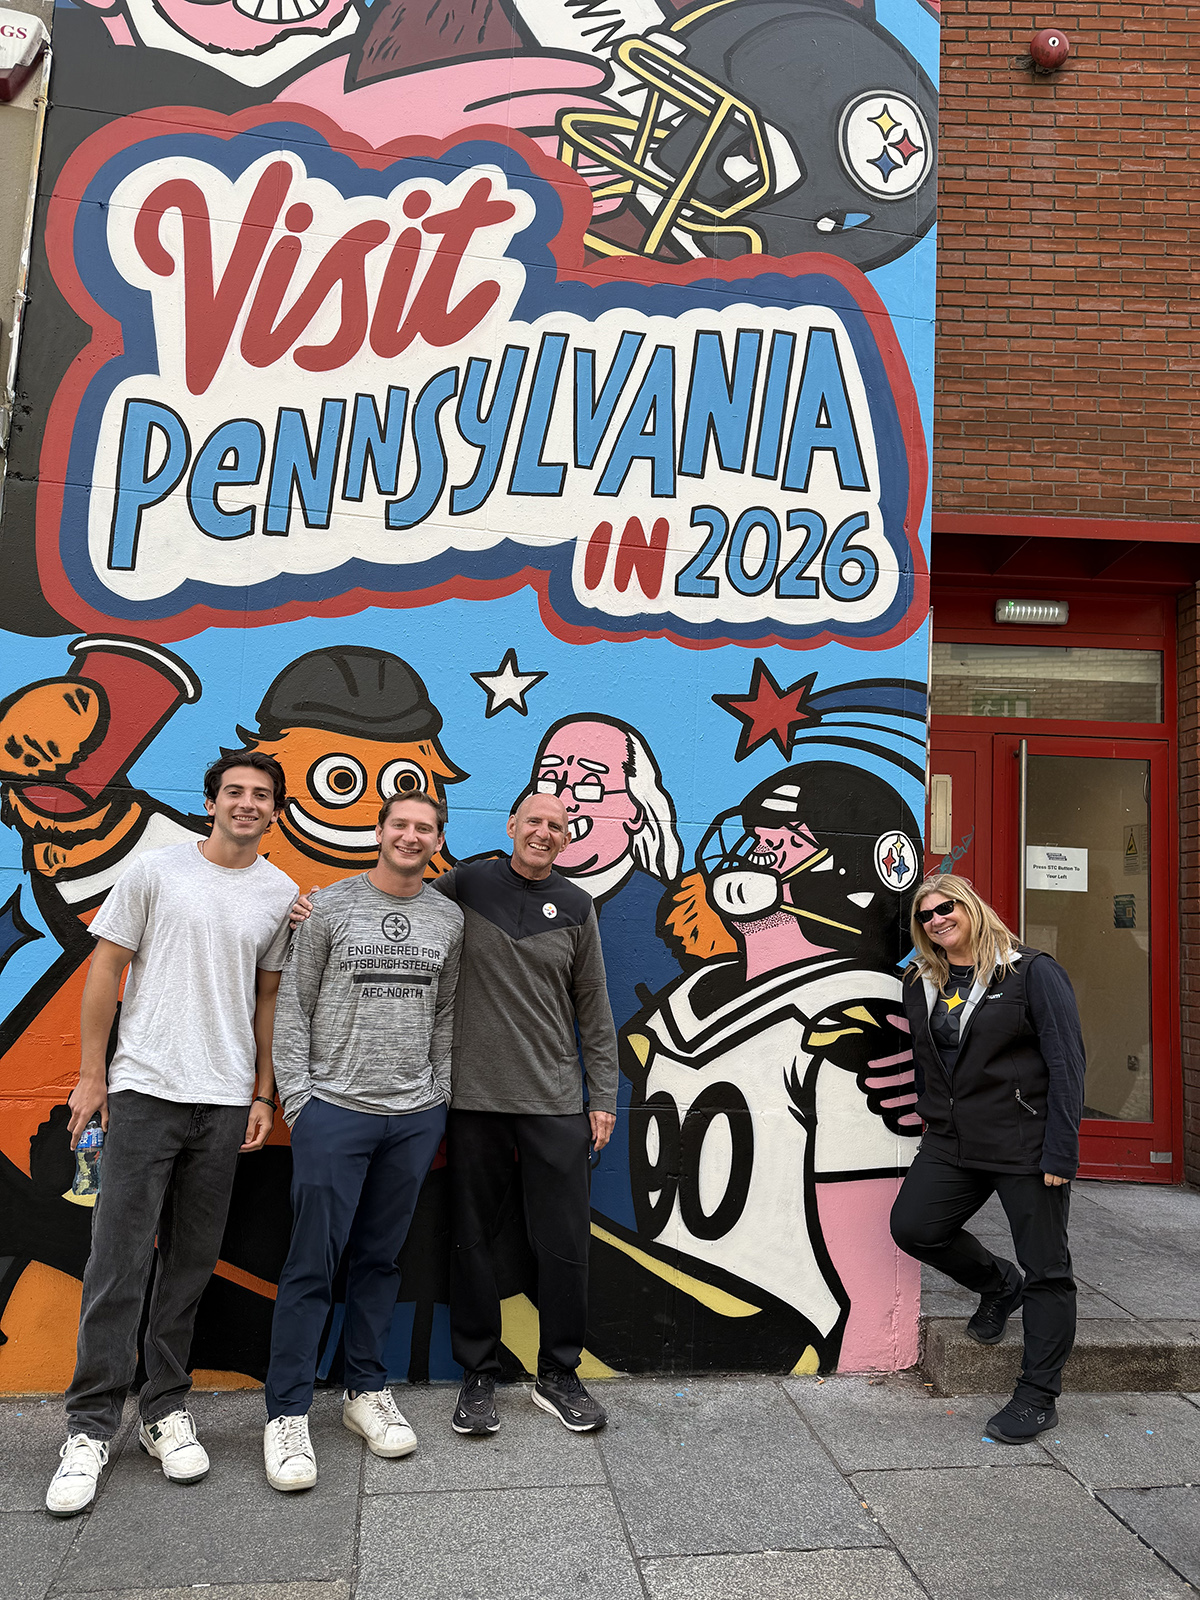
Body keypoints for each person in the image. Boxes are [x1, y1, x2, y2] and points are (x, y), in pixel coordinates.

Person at [44, 752, 297, 1518]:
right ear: (212, 801)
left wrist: (261, 1092)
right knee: (117, 1261)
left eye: (261, 795)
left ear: (275, 810)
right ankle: (90, 1426)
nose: (247, 803)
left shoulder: (279, 893)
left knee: (189, 1263)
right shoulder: (155, 872)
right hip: (145, 1092)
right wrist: (93, 1076)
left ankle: (163, 1409)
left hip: (222, 1104)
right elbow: (105, 968)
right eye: (235, 792)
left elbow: (267, 999)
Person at [261, 791, 463, 1492]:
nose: (411, 836)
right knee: (311, 1264)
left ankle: (364, 1390)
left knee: (380, 1260)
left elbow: (446, 1013)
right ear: (378, 831)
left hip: (413, 1116)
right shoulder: (328, 908)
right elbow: (293, 1005)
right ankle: (287, 1413)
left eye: (424, 828)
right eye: (399, 824)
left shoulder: (448, 918)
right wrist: (299, 1101)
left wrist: (437, 1095)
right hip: (334, 1111)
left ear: (438, 839)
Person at [432, 791, 618, 1436]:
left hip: (555, 1101)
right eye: (534, 820)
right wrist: (318, 908)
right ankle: (478, 1374)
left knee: (563, 1243)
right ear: (511, 824)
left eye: (556, 826)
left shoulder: (576, 905)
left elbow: (594, 1006)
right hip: (473, 1099)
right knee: (471, 1239)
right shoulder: (465, 885)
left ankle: (559, 1374)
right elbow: (397, 901)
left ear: (568, 838)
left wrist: (602, 1096)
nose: (543, 832)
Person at [890, 874, 1085, 1444]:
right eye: (925, 915)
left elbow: (1067, 1062)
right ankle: (999, 1284)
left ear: (972, 906)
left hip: (1023, 1143)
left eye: (946, 907)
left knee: (1047, 1270)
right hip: (952, 1140)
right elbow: (928, 1059)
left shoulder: (1031, 971)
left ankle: (1037, 1397)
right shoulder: (921, 980)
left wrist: (1061, 1150)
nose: (937, 920)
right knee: (914, 1228)